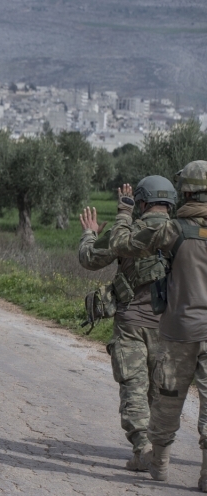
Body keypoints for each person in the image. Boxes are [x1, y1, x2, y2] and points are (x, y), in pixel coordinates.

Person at [109, 160, 207, 489]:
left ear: (186, 191)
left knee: (167, 399)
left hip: (180, 329)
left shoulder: (172, 229)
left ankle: (160, 462)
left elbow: (121, 244)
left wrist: (125, 212)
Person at [78, 175, 176, 471]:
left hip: (131, 322)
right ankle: (158, 453)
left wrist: (90, 233)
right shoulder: (182, 232)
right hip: (170, 328)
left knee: (133, 387)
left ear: (141, 202)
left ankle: (142, 448)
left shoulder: (128, 231)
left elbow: (89, 259)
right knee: (160, 393)